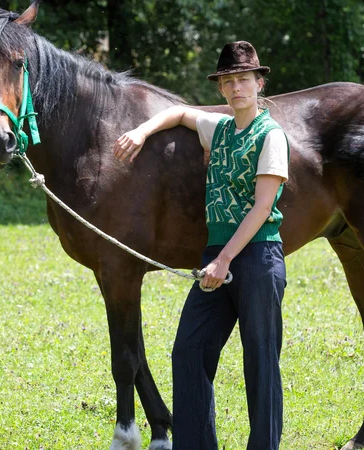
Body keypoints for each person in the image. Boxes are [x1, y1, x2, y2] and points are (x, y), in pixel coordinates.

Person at [113, 41, 289, 450]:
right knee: (188, 352)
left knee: (260, 362)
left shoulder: (272, 136)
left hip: (258, 258)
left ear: (259, 83)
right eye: (228, 81)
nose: (236, 88)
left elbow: (264, 207)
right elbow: (178, 113)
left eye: (244, 79)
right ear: (221, 90)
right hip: (217, 258)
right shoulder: (220, 127)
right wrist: (140, 131)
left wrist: (224, 259)